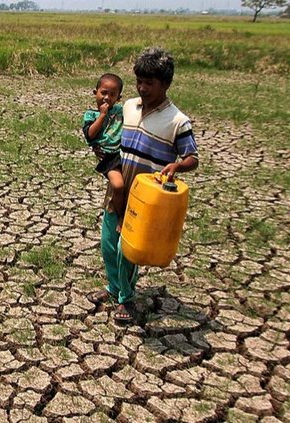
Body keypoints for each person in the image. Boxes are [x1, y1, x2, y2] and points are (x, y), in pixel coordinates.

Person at [87, 47, 199, 324]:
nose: (142, 87)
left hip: (146, 199)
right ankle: (113, 287)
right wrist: (102, 150)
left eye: (150, 83)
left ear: (166, 84)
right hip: (119, 188)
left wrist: (177, 166)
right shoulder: (128, 107)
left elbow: (192, 157)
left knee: (130, 250)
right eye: (139, 81)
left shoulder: (177, 121)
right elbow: (108, 133)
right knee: (108, 244)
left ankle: (126, 297)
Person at [82, 73, 126, 231]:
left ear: (119, 98)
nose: (107, 97)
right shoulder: (91, 115)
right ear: (95, 93)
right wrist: (102, 115)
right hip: (109, 158)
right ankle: (121, 216)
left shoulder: (121, 110)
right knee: (118, 186)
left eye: (113, 95)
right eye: (104, 93)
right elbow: (90, 135)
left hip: (125, 154)